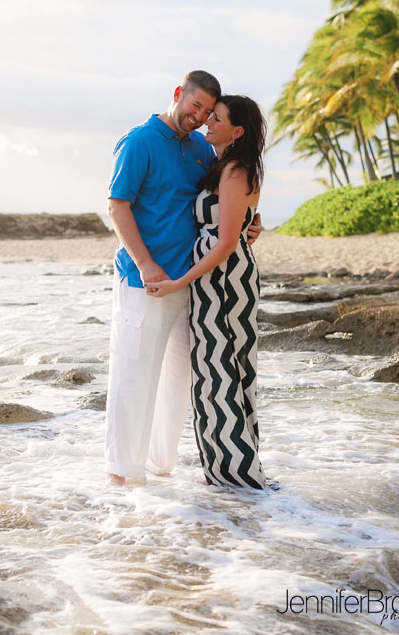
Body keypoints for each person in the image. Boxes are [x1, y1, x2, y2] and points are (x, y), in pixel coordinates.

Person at [105, 71, 261, 485]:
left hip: (192, 283)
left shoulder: (199, 147)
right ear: (178, 94)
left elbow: (221, 198)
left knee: (176, 384)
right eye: (195, 107)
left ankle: (158, 468)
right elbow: (117, 206)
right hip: (148, 281)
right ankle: (121, 476)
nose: (200, 117)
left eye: (209, 112)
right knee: (134, 375)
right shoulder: (140, 141)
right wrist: (144, 263)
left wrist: (252, 220)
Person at [146, 95, 267, 489]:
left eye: (216, 119)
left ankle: (238, 476)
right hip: (218, 276)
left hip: (225, 279)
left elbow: (228, 242)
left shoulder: (235, 169)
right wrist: (252, 224)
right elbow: (240, 225)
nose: (207, 124)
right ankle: (230, 473)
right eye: (208, 117)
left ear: (237, 131)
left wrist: (179, 282)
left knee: (222, 370)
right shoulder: (227, 167)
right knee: (219, 370)